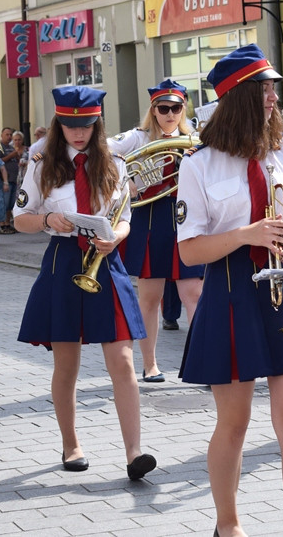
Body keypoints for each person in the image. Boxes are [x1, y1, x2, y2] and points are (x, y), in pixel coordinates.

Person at [177, 44, 283, 537]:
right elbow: (190, 252)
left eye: (273, 88)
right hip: (231, 289)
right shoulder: (199, 164)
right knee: (235, 422)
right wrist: (246, 234)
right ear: (238, 97)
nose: (273, 97)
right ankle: (228, 524)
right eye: (263, 89)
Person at [13, 86, 154, 479]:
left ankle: (134, 453)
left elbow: (125, 217)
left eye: (87, 125)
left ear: (97, 123)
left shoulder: (116, 164)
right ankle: (71, 443)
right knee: (67, 363)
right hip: (62, 261)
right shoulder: (42, 163)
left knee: (123, 361)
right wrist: (46, 221)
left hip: (105, 262)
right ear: (59, 123)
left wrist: (118, 237)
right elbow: (20, 218)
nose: (79, 133)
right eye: (71, 125)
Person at [108, 80, 204, 382]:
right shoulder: (137, 138)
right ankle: (150, 364)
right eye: (164, 108)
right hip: (149, 218)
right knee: (149, 296)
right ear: (154, 110)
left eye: (176, 108)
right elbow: (102, 151)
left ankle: (200, 362)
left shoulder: (195, 139)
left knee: (194, 294)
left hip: (185, 217)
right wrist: (125, 182)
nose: (170, 114)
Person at [0, 126, 23, 234]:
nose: (9, 137)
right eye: (6, 135)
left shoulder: (11, 147)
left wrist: (17, 158)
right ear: (2, 135)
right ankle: (2, 225)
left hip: (14, 179)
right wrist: (11, 155)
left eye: (10, 135)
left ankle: (8, 223)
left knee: (11, 203)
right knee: (5, 203)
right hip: (4, 181)